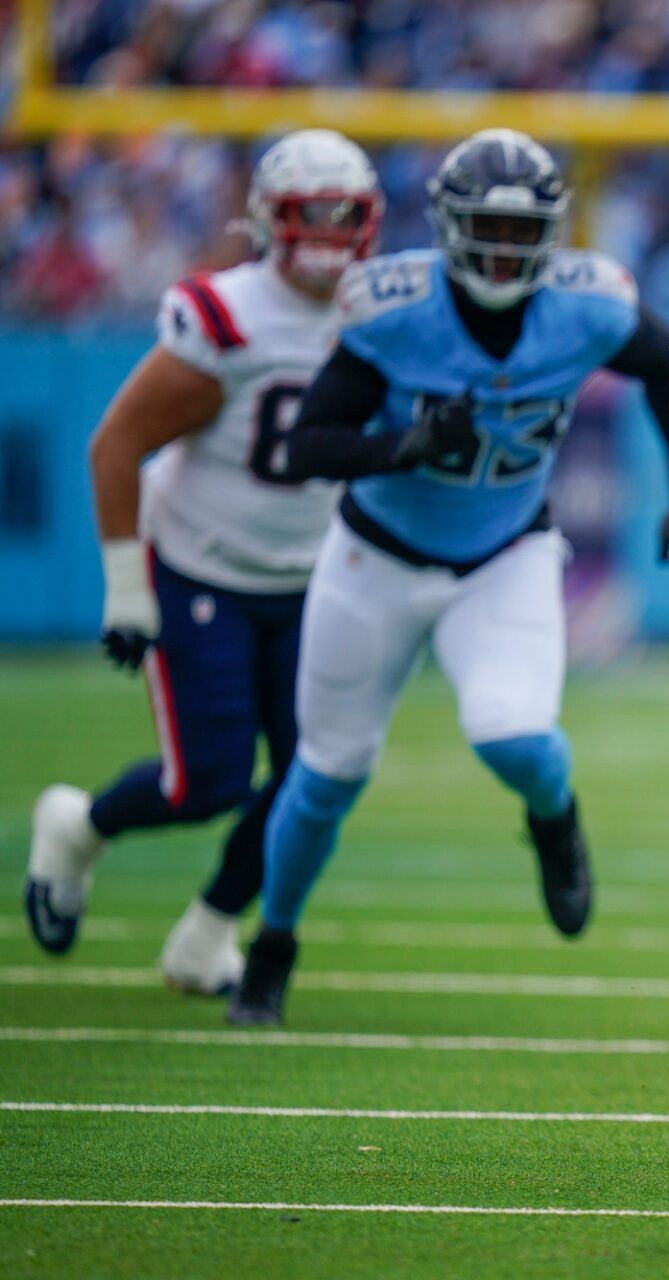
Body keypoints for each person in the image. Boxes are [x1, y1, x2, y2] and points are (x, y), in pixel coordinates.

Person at [225, 128, 669, 1025]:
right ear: (447, 226)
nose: (507, 250)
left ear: (552, 233)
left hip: (505, 551)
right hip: (375, 556)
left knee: (513, 734)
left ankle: (554, 818)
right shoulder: (394, 311)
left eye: (523, 233)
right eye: (489, 229)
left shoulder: (586, 306)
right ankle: (272, 942)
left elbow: (668, 372)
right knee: (326, 772)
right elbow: (301, 446)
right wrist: (402, 444)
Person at [25, 130, 383, 995]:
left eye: (347, 218)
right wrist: (124, 590)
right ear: (268, 221)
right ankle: (78, 825)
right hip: (203, 566)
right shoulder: (226, 317)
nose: (331, 238)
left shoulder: (379, 311)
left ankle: (208, 933)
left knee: (316, 776)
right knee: (208, 782)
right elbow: (115, 447)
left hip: (311, 578)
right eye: (313, 217)